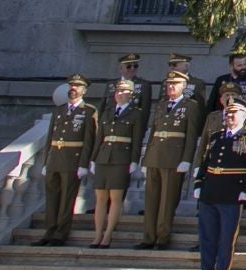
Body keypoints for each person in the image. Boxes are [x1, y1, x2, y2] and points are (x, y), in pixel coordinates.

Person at [194, 98, 246, 270]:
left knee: (226, 239)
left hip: (232, 194)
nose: (229, 116)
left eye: (234, 113)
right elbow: (205, 162)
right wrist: (199, 183)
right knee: (207, 237)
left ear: (243, 116)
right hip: (210, 191)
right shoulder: (216, 136)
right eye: (227, 113)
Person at [137, 67, 203, 249]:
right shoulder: (160, 105)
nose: (171, 87)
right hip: (155, 156)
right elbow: (153, 132)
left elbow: (190, 135)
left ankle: (162, 237)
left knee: (167, 200)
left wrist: (186, 159)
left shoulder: (190, 106)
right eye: (169, 84)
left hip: (174, 157)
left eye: (175, 84)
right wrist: (146, 159)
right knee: (151, 199)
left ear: (184, 86)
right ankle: (148, 236)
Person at [38, 74, 99, 246]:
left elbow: (89, 140)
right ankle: (49, 231)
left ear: (84, 90)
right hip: (55, 158)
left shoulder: (88, 111)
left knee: (67, 199)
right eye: (71, 85)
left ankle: (60, 233)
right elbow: (51, 136)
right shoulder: (59, 110)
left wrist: (84, 163)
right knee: (52, 198)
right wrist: (45, 161)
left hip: (73, 159)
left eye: (77, 86)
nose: (73, 88)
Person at [88, 78, 142, 248]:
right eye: (118, 91)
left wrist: (134, 160)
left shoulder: (135, 114)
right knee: (100, 197)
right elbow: (99, 138)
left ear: (131, 95)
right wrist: (93, 158)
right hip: (104, 157)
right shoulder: (107, 112)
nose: (120, 94)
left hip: (121, 157)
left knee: (115, 197)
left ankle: (108, 234)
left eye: (124, 91)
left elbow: (137, 139)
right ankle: (97, 234)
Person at [208, 51, 246, 119]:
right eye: (239, 65)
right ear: (231, 66)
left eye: (244, 64)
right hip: (222, 119)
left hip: (243, 119)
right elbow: (212, 103)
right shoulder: (221, 80)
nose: (243, 68)